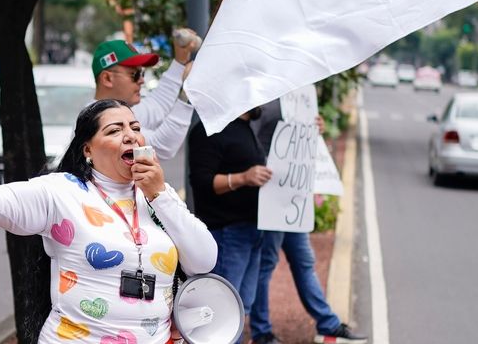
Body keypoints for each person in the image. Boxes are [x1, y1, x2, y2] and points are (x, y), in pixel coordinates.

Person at [0, 99, 217, 344]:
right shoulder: (62, 192)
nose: (130, 136)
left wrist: (160, 195)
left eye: (135, 127)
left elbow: (204, 259)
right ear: (88, 150)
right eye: (114, 130)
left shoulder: (157, 195)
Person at [249, 99, 367, 344]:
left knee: (303, 260)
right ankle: (262, 331)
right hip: (273, 197)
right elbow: (251, 140)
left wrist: (315, 129)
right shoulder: (267, 102)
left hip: (293, 198)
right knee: (267, 263)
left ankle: (328, 324)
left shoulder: (301, 98)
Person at [187, 107, 272, 343]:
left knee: (241, 305)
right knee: (223, 310)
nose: (262, 102)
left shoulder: (244, 128)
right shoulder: (208, 130)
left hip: (249, 230)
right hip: (226, 233)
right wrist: (243, 178)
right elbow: (202, 182)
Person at [91, 36, 196, 160]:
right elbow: (161, 146)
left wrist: (180, 62)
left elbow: (158, 104)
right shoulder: (98, 117)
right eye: (134, 75)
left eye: (142, 73)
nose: (141, 80)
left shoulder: (116, 110)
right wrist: (188, 92)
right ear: (107, 79)